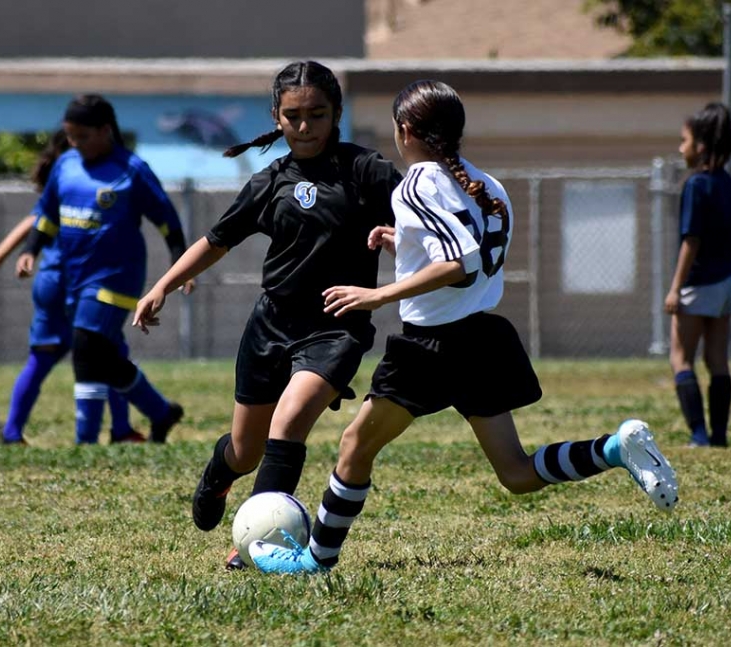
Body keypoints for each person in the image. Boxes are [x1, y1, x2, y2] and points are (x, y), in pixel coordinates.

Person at [249, 80, 679, 575]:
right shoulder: (487, 186)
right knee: (516, 473)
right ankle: (614, 447)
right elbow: (465, 254)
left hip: (432, 347)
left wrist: (378, 294)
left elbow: (459, 261)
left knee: (354, 446)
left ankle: (315, 561)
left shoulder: (417, 183)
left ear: (404, 130)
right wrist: (405, 243)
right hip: (482, 339)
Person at [133, 60, 403, 569]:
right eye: (294, 116)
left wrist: (400, 244)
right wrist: (163, 285)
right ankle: (219, 473)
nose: (305, 127)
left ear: (337, 114)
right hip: (271, 325)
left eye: (317, 115)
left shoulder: (367, 170)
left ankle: (256, 543)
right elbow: (217, 240)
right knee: (245, 450)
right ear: (276, 118)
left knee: (290, 420)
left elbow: (420, 226)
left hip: (335, 325)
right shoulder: (270, 180)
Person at [20, 94, 189, 445]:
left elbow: (167, 220)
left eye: (82, 136)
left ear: (105, 130)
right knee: (105, 356)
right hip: (74, 277)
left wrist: (180, 261)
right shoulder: (66, 165)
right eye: (69, 135)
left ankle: (85, 440)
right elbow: (48, 215)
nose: (74, 143)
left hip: (116, 276)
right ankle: (160, 411)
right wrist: (30, 250)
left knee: (85, 346)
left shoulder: (132, 170)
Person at [0, 130, 140, 444]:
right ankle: (121, 429)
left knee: (46, 358)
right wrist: (3, 251)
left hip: (52, 281)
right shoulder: (80, 182)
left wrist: (4, 252)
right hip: (69, 282)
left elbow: (36, 219)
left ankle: (13, 430)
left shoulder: (69, 179)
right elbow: (35, 220)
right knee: (108, 355)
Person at [664, 102, 731, 448]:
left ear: (700, 146)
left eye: (684, 141)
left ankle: (699, 436)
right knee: (717, 360)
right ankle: (720, 436)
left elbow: (691, 239)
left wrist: (675, 288)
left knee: (680, 357)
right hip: (728, 281)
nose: (680, 148)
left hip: (700, 284)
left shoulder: (696, 185)